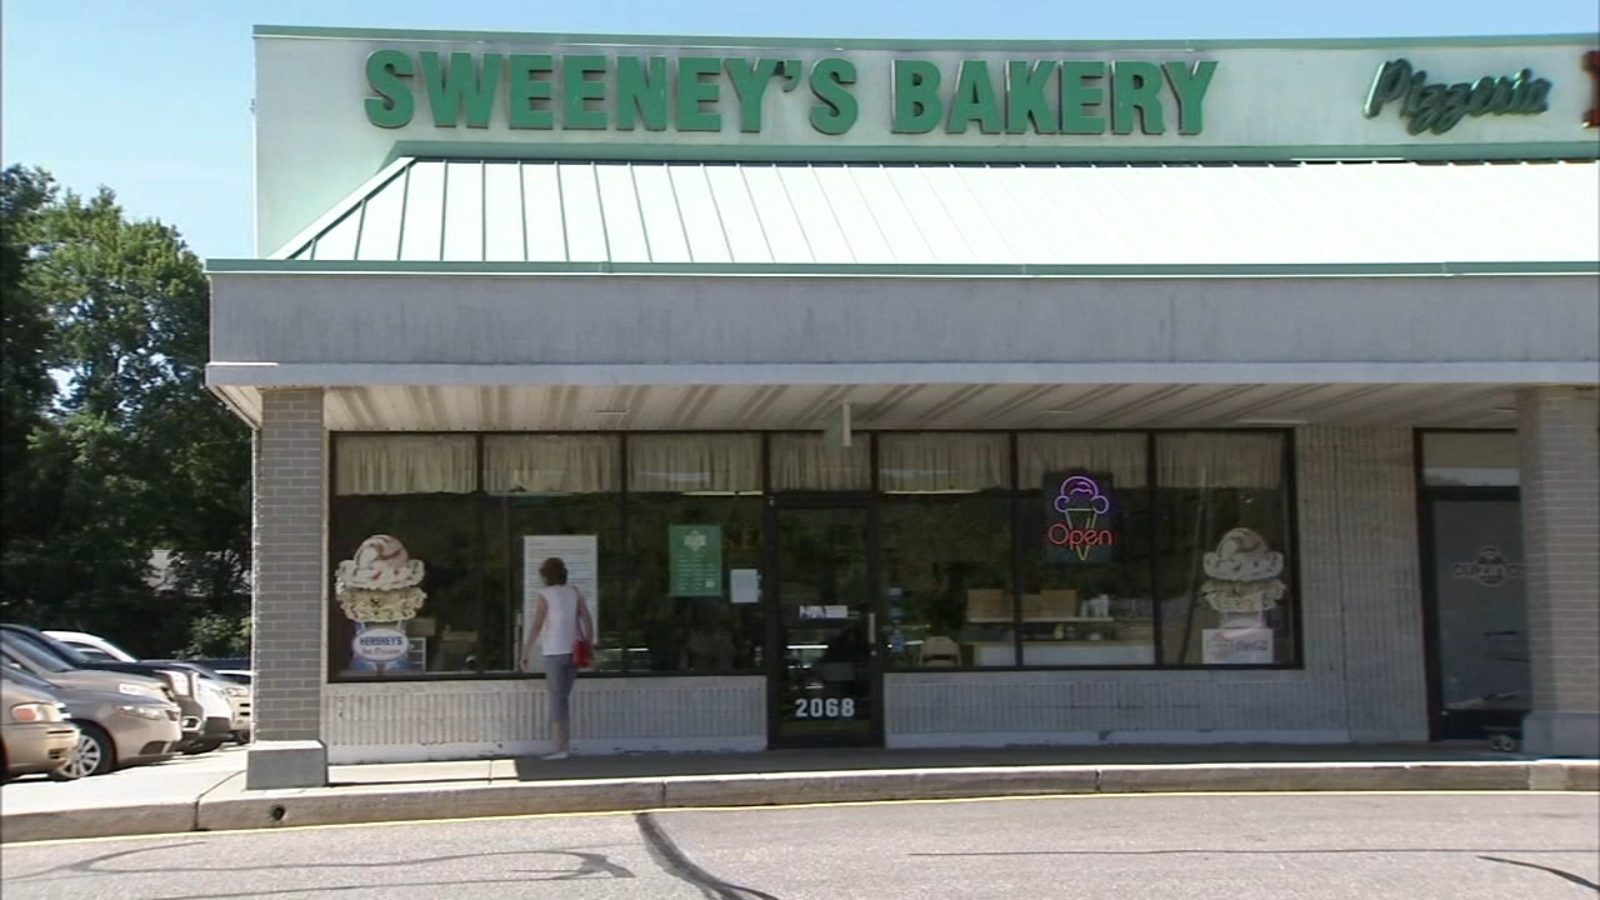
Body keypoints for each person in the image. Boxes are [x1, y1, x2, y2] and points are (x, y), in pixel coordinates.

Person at [520, 557, 592, 761]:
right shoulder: (574, 592)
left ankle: (561, 748)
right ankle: (564, 745)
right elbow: (587, 619)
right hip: (574, 651)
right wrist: (589, 645)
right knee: (563, 698)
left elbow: (537, 625)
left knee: (557, 699)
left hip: (553, 651)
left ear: (545, 576)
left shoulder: (545, 595)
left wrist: (525, 652)